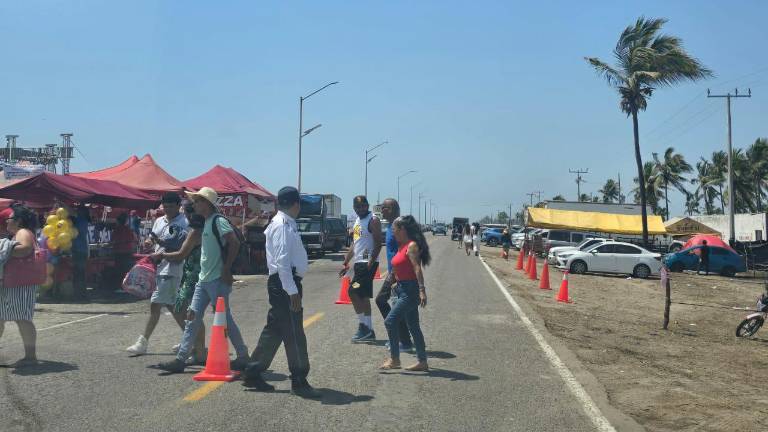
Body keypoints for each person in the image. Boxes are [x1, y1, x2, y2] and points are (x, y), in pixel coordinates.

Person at [158, 187, 249, 373]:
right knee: (192, 318)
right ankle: (181, 359)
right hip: (204, 280)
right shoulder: (207, 222)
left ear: (206, 203)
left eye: (198, 201)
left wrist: (226, 269)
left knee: (225, 319)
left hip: (217, 280)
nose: (195, 205)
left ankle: (242, 355)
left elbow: (234, 242)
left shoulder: (217, 221)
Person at [243, 187, 320, 398]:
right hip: (285, 284)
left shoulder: (286, 223)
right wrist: (292, 291)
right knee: (294, 334)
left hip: (284, 283)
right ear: (296, 204)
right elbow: (283, 262)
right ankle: (299, 380)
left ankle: (252, 372)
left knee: (275, 331)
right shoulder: (282, 225)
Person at [126, 192, 188, 356]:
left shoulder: (185, 222)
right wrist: (149, 242)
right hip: (159, 268)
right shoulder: (159, 221)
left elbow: (184, 246)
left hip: (174, 268)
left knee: (156, 304)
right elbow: (152, 238)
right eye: (165, 207)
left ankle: (143, 342)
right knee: (173, 307)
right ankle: (190, 340)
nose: (168, 210)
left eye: (171, 206)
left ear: (178, 206)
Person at [153, 205, 207, 365]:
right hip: (197, 274)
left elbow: (180, 254)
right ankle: (196, 349)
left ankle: (196, 350)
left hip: (193, 277)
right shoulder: (205, 229)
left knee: (185, 312)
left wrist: (161, 255)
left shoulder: (195, 232)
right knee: (189, 313)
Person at [380, 215, 430, 371]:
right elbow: (398, 267)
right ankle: (422, 362)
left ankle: (395, 359)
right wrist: (394, 282)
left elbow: (417, 268)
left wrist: (422, 290)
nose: (392, 231)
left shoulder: (411, 246)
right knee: (413, 326)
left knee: (390, 321)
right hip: (402, 288)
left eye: (394, 229)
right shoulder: (401, 246)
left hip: (410, 291)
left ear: (402, 229)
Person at [0, 204, 42, 367]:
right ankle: (30, 357)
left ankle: (30, 358)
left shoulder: (23, 232)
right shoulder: (19, 233)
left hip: (19, 283)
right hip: (15, 282)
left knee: (22, 318)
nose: (7, 221)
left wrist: (4, 248)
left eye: (9, 218)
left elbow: (25, 250)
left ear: (18, 221)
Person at [339, 196, 382, 343]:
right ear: (354, 208)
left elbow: (378, 243)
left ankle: (364, 327)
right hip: (359, 263)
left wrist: (371, 262)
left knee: (353, 290)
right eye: (357, 207)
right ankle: (368, 329)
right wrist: (346, 261)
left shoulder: (373, 220)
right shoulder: (357, 220)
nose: (360, 209)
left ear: (367, 206)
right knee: (363, 295)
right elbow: (355, 244)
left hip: (367, 263)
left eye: (363, 206)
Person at [374, 198, 413, 352]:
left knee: (383, 301)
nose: (382, 210)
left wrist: (395, 273)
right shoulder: (391, 226)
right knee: (394, 305)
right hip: (394, 272)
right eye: (382, 207)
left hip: (398, 273)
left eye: (385, 208)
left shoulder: (400, 226)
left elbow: (404, 251)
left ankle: (403, 341)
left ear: (394, 209)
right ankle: (403, 339)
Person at [71, 205, 91, 300]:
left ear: (82, 212)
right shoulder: (83, 221)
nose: (77, 211)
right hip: (81, 250)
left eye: (78, 210)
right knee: (80, 273)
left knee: (78, 273)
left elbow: (71, 214)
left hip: (79, 250)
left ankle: (80, 294)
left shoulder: (81, 220)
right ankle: (81, 293)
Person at [112, 213, 137, 284]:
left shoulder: (116, 230)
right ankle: (127, 285)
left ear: (118, 221)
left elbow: (113, 241)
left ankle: (119, 285)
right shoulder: (129, 229)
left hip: (118, 252)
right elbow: (135, 239)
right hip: (128, 252)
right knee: (127, 270)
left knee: (119, 270)